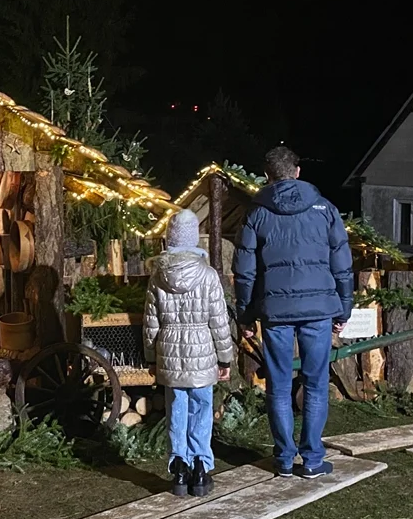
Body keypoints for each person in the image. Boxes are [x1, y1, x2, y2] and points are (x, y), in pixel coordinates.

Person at [233, 146, 353, 479]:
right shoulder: (325, 209)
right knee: (316, 384)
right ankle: (313, 458)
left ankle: (284, 458)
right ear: (297, 171)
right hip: (318, 310)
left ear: (268, 176)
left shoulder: (256, 213)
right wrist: (344, 307)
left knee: (279, 386)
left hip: (275, 312)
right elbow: (343, 265)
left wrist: (245, 315)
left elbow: (245, 272)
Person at [143, 209, 235, 497]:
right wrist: (225, 357)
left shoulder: (158, 277)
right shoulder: (208, 276)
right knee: (202, 409)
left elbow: (150, 322)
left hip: (169, 351)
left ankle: (178, 467)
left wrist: (150, 357)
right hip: (202, 351)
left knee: (177, 410)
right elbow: (219, 321)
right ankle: (200, 466)